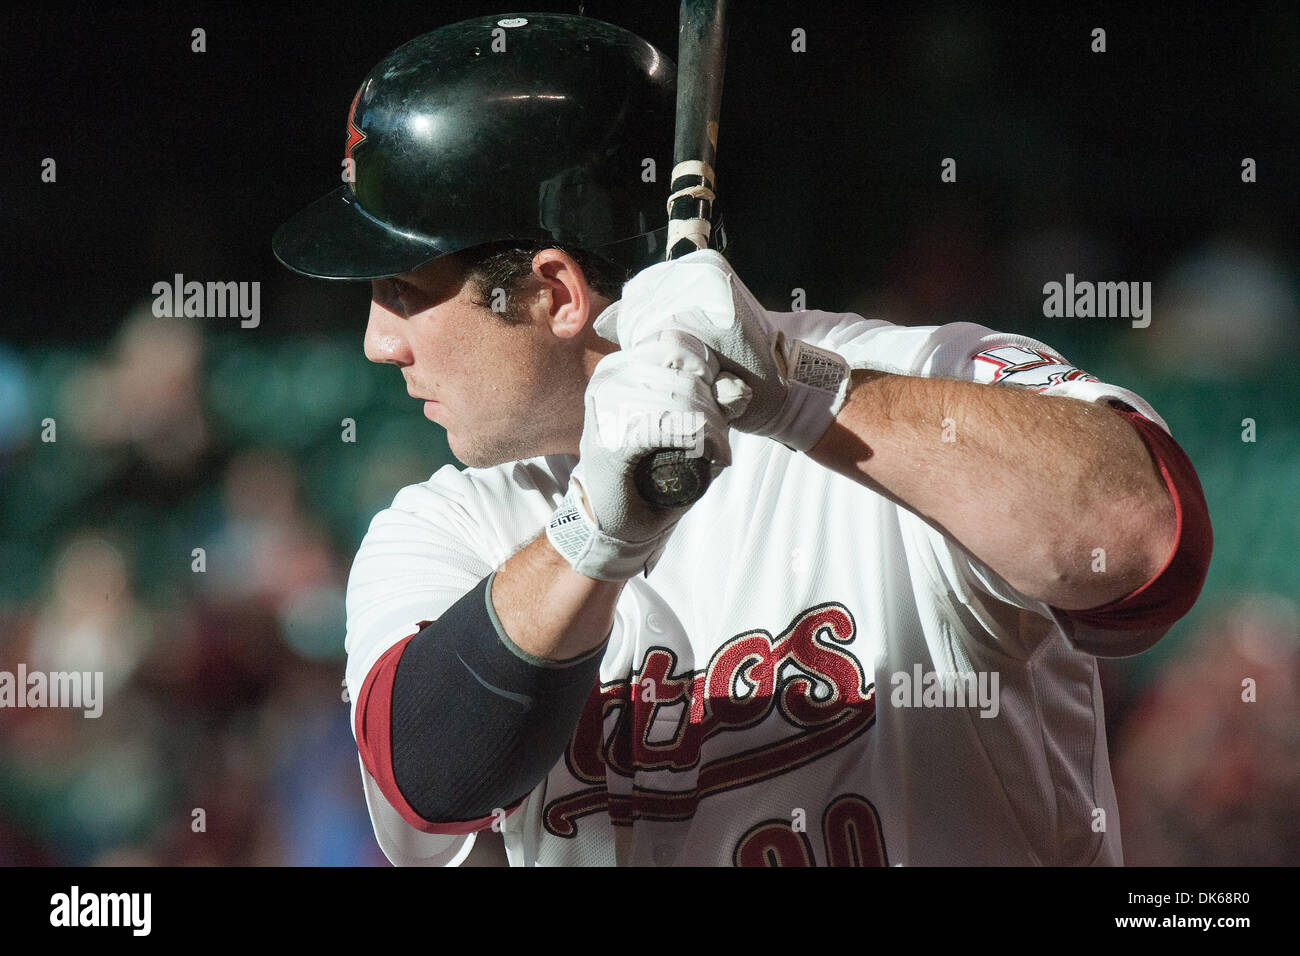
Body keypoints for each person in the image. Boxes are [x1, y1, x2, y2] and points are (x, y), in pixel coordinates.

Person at [273, 12, 1212, 866]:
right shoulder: (448, 526)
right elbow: (429, 778)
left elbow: (1143, 545)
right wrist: (593, 536)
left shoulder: (919, 375)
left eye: (401, 290)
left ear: (555, 293)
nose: (378, 340)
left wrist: (803, 394)